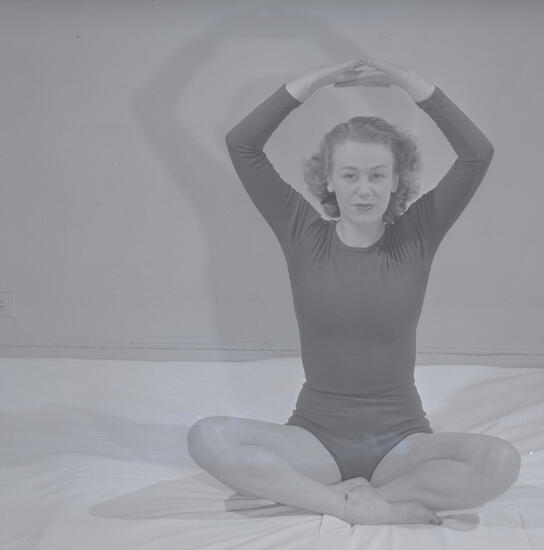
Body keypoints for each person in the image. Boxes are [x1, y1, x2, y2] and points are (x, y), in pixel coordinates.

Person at [187, 57, 520, 526]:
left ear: (396, 180)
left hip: (402, 445)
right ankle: (353, 506)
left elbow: (477, 155)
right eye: (349, 175)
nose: (364, 191)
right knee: (207, 436)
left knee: (500, 461)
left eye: (377, 175)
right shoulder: (302, 232)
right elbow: (242, 145)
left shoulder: (416, 235)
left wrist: (407, 81)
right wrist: (317, 80)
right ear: (328, 179)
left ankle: (322, 497)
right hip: (315, 441)